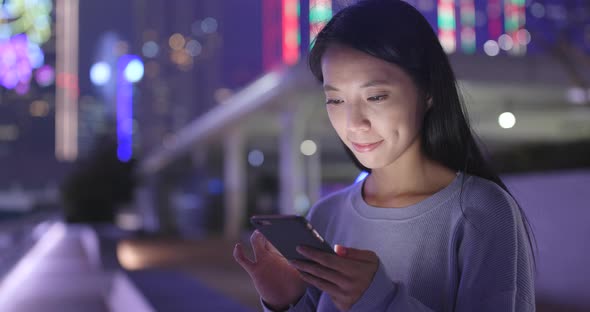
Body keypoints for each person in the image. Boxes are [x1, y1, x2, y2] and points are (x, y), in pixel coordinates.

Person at [233, 0, 536, 311]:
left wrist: (378, 300)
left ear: (428, 90)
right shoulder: (326, 215)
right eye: (335, 100)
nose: (354, 123)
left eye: (375, 96)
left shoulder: (480, 212)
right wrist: (286, 302)